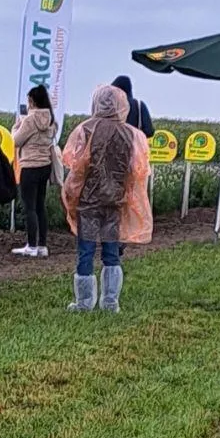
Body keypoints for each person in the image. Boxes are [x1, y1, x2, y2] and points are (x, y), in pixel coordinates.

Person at [61, 84, 152, 312]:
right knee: (111, 252)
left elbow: (76, 165)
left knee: (86, 251)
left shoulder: (86, 129)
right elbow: (137, 170)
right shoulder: (132, 134)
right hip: (115, 200)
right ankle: (110, 302)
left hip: (88, 201)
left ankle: (84, 302)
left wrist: (71, 193)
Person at [12, 84, 57, 257]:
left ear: (31, 101)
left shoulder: (30, 120)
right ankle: (42, 246)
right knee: (40, 205)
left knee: (29, 206)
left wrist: (18, 125)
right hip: (45, 165)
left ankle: (31, 245)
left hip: (30, 166)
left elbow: (16, 140)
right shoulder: (51, 120)